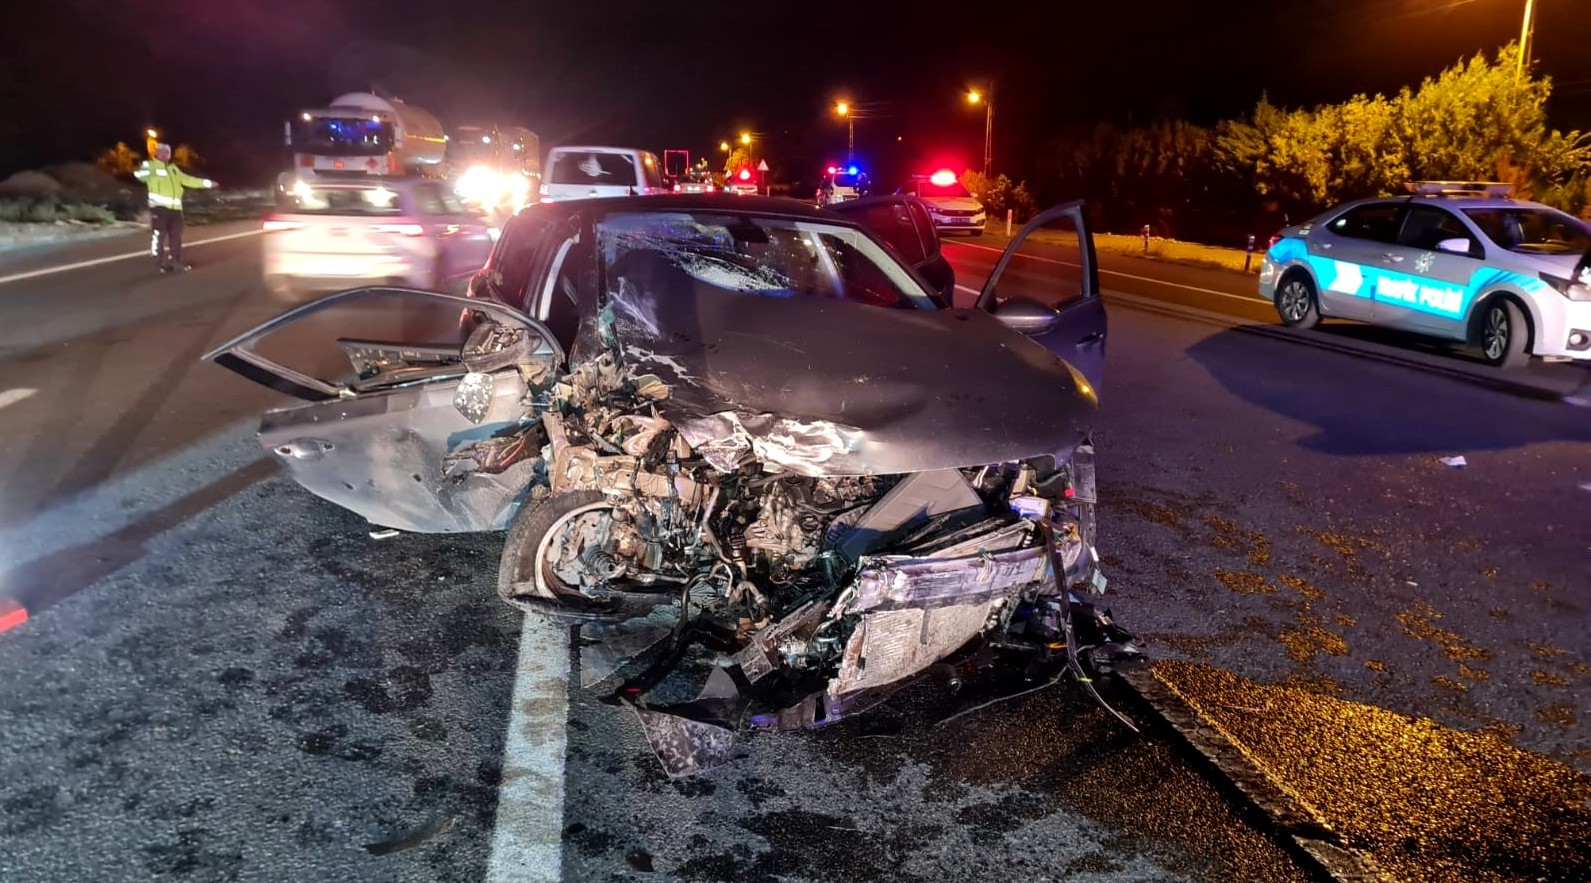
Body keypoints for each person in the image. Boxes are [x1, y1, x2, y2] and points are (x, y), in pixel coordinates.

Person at [133, 143, 216, 272]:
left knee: (176, 238)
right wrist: (150, 169)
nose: (165, 154)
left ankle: (175, 262)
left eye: (167, 152)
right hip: (159, 208)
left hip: (176, 210)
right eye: (162, 151)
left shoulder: (173, 169)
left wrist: (207, 183)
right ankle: (159, 263)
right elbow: (139, 176)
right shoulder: (150, 166)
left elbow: (188, 180)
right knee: (159, 235)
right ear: (157, 153)